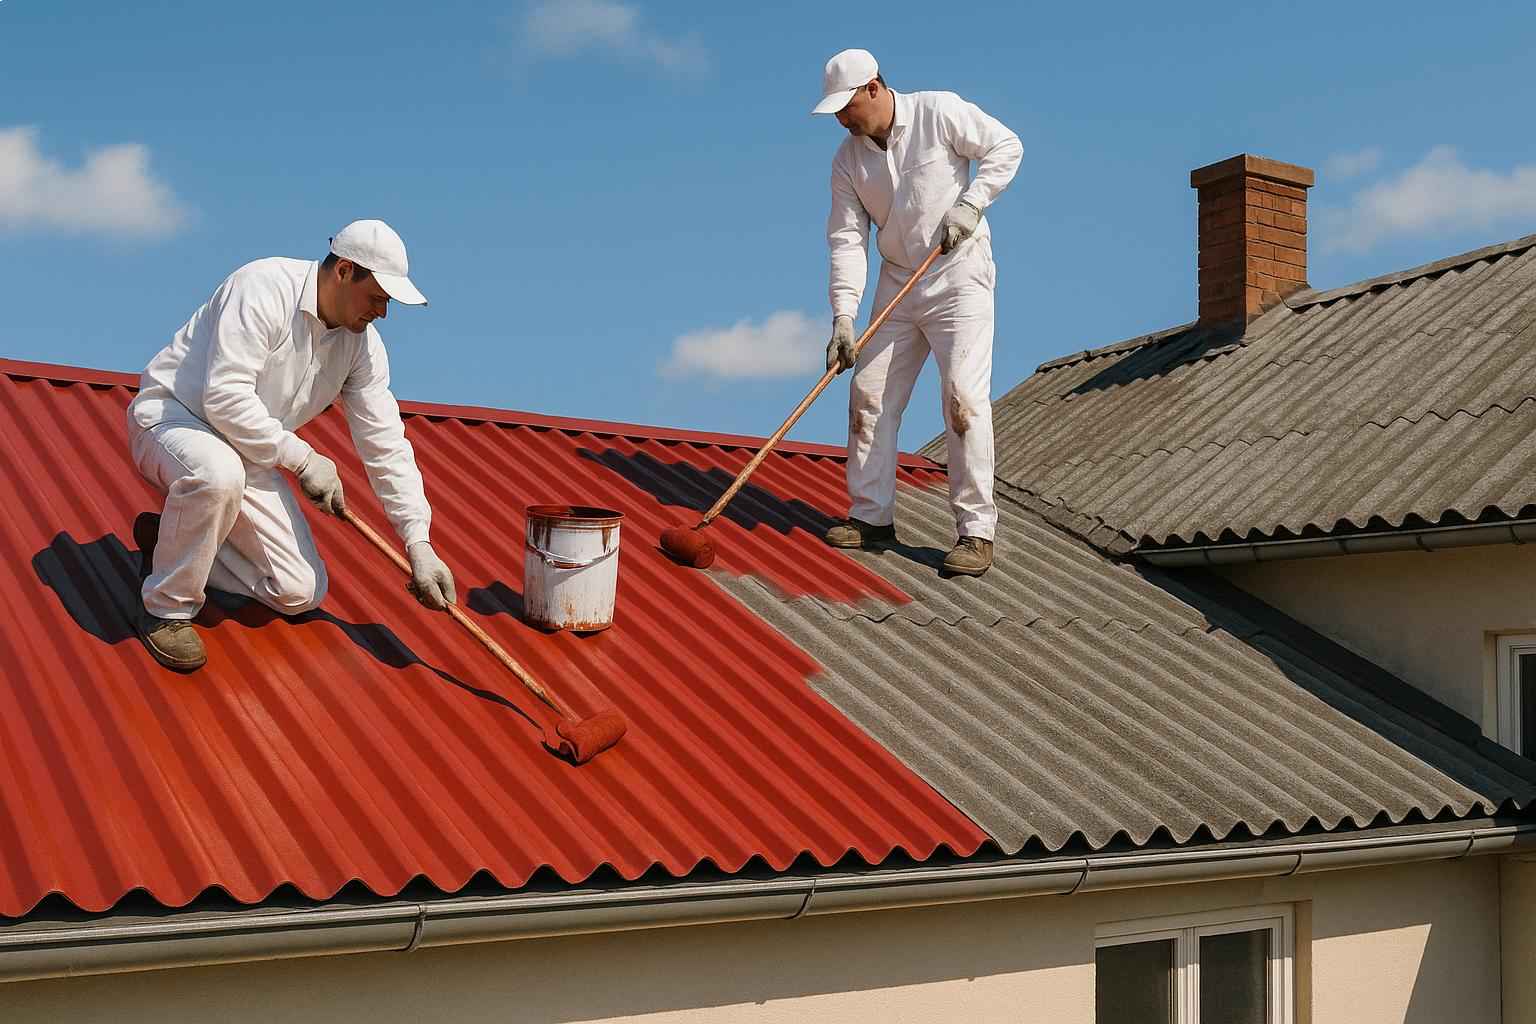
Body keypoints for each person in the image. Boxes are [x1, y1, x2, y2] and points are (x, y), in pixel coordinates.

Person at [126, 219, 455, 671]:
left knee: (298, 591)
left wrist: (418, 542)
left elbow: (386, 443)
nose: (383, 312)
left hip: (251, 450)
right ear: (343, 271)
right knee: (218, 474)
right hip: (176, 422)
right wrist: (303, 459)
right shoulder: (262, 286)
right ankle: (166, 608)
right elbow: (224, 398)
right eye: (378, 297)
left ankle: (172, 541)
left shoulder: (362, 347)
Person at [813, 48, 1022, 577]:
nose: (841, 118)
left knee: (963, 399)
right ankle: (872, 518)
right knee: (869, 395)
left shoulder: (937, 111)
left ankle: (975, 532)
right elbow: (845, 238)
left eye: (847, 105)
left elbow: (1005, 146)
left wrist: (972, 204)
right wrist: (844, 316)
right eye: (835, 110)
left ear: (875, 88)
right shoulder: (847, 159)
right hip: (899, 284)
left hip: (959, 278)